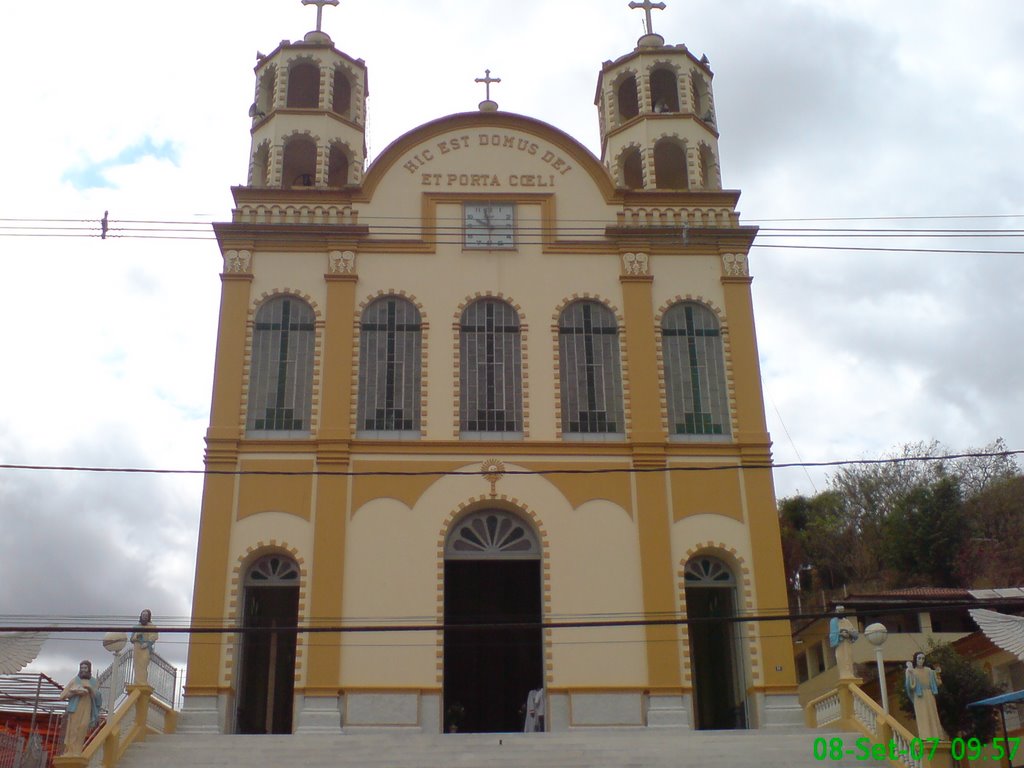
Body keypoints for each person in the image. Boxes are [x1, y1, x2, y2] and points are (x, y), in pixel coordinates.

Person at [60, 660, 102, 754]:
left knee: (83, 728)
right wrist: (74, 692)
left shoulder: (94, 681)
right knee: (73, 730)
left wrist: (90, 688)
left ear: (89, 669)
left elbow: (98, 698)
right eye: (81, 668)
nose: (83, 670)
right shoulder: (75, 680)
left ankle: (77, 752)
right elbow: (62, 695)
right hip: (75, 709)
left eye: (85, 668)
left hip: (87, 708)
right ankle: (70, 752)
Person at [905, 652, 946, 741]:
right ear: (915, 659)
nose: (921, 660)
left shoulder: (929, 671)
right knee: (923, 716)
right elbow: (911, 686)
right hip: (919, 697)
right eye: (919, 658)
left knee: (932, 715)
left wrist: (938, 673)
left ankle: (935, 735)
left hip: (929, 695)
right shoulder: (913, 671)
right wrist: (910, 674)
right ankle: (925, 736)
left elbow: (938, 683)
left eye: (923, 658)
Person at [829, 607, 859, 679]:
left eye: (842, 611)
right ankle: (843, 674)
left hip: (847, 643)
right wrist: (840, 634)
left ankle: (850, 674)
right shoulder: (833, 621)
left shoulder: (847, 621)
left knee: (849, 657)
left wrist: (849, 633)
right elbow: (832, 634)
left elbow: (854, 633)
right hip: (840, 643)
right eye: (839, 611)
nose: (840, 613)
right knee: (840, 657)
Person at [130, 609, 158, 686]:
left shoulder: (152, 627)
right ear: (141, 616)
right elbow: (131, 639)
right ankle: (137, 682)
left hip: (145, 648)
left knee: (143, 665)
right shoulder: (136, 627)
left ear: (149, 617)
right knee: (137, 666)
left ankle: (143, 682)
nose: (144, 617)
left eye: (146, 616)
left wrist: (147, 643)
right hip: (137, 648)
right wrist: (137, 636)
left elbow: (154, 636)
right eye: (143, 615)